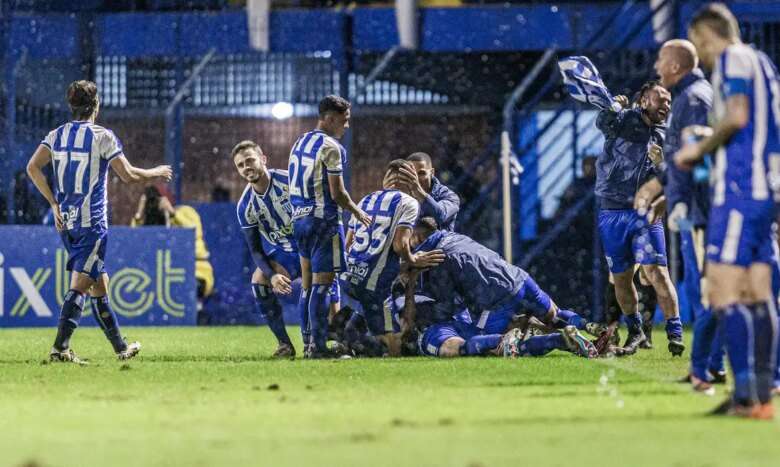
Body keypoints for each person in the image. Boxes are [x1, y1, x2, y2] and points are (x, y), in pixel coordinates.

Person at [675, 3, 780, 418]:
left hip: (739, 191)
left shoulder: (734, 58)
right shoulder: (764, 64)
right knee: (758, 291)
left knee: (720, 288)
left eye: (700, 43)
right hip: (765, 190)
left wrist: (696, 150)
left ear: (707, 34)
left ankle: (744, 397)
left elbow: (736, 117)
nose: (702, 53)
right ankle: (761, 395)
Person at [25, 80, 172, 364]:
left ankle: (120, 348)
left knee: (99, 282)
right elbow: (127, 174)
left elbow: (32, 167)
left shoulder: (56, 135)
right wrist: (155, 172)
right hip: (92, 224)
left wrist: (54, 202)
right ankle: (60, 348)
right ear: (97, 105)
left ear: (71, 106)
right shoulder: (102, 136)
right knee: (81, 285)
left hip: (65, 222)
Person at [405, 217, 603, 358]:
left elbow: (445, 305)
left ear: (417, 238)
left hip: (496, 301)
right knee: (555, 314)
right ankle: (591, 327)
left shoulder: (433, 257)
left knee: (491, 347)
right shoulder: (456, 236)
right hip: (521, 280)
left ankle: (557, 341)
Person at [645, 39, 724, 390]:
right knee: (706, 287)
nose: (657, 66)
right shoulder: (697, 95)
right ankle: (712, 364)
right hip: (701, 205)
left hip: (701, 211)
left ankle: (704, 368)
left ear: (676, 65)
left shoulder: (692, 99)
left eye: (662, 59)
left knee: (706, 288)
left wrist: (681, 199)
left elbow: (694, 157)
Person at [595, 80, 685, 356]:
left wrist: (661, 163)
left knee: (656, 272)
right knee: (620, 278)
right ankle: (635, 332)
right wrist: (613, 107)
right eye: (661, 99)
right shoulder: (623, 120)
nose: (666, 104)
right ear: (644, 101)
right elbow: (603, 123)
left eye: (669, 101)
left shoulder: (668, 135)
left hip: (645, 212)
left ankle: (675, 332)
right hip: (612, 211)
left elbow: (676, 173)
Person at [288, 95, 370, 358]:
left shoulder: (300, 141)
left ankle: (308, 342)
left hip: (299, 221)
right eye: (344, 121)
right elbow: (338, 194)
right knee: (323, 287)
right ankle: (320, 348)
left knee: (307, 285)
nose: (346, 127)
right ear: (330, 119)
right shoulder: (332, 147)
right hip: (323, 222)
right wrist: (358, 212)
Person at [341, 160, 445, 356]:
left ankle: (347, 339)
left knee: (372, 321)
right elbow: (400, 244)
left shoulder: (366, 199)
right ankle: (361, 345)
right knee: (393, 338)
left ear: (385, 180)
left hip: (349, 276)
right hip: (374, 283)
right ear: (409, 180)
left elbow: (348, 243)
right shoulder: (409, 202)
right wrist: (412, 259)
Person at [131, 185, 215, 324]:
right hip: (165, 275)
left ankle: (197, 314)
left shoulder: (186, 211)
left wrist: (171, 212)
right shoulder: (152, 223)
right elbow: (134, 241)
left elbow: (193, 231)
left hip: (196, 270)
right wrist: (140, 214)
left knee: (188, 289)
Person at [386, 152, 460, 231]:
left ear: (432, 173)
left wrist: (418, 191)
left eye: (421, 173)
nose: (416, 178)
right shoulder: (402, 194)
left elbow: (441, 215)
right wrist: (385, 197)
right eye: (412, 173)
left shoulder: (449, 196)